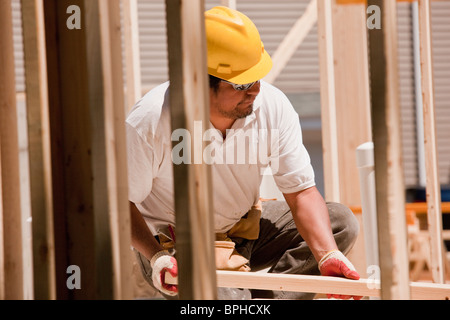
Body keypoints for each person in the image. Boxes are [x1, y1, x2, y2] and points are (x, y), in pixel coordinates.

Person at [126, 6, 361, 300]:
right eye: (242, 83)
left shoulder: (272, 107)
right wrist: (156, 257)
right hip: (174, 245)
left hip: (241, 231)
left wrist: (327, 255)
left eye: (257, 77)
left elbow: (301, 192)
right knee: (224, 298)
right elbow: (119, 205)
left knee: (339, 222)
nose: (255, 90)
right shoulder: (151, 120)